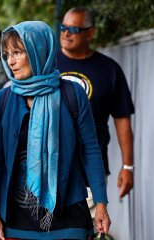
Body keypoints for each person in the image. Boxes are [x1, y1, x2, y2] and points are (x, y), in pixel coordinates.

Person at [0, 21, 111, 240]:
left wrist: (101, 202)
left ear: (39, 51)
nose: (10, 61)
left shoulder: (72, 94)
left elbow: (90, 149)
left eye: (18, 52)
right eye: (7, 54)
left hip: (68, 213)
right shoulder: (0, 101)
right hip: (16, 219)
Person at [57, 7, 135, 201]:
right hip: (51, 168)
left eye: (74, 29)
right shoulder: (46, 65)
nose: (66, 33)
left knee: (88, 230)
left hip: (91, 169)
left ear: (90, 33)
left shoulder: (109, 70)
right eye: (63, 27)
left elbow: (122, 120)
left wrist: (128, 167)